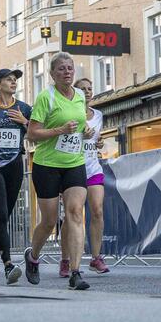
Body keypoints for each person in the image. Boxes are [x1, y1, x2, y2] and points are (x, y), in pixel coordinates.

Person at [24, 53, 91, 291]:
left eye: (70, 68)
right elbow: (32, 134)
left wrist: (86, 133)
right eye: (61, 69)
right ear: (52, 74)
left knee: (75, 213)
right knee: (50, 220)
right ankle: (33, 256)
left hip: (74, 162)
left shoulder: (81, 96)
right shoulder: (46, 97)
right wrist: (59, 130)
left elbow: (79, 127)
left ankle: (75, 271)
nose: (67, 72)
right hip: (47, 165)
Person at [0, 68, 31, 285]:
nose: (13, 83)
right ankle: (9, 263)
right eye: (8, 80)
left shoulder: (24, 108)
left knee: (6, 214)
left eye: (15, 80)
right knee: (0, 213)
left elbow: (39, 133)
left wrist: (25, 122)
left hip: (14, 164)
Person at [58, 78, 110, 277]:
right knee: (72, 215)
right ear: (75, 92)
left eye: (90, 88)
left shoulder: (98, 115)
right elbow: (63, 138)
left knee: (97, 210)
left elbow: (97, 138)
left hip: (92, 167)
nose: (87, 92)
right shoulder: (68, 113)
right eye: (82, 89)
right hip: (72, 167)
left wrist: (98, 142)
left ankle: (96, 257)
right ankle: (65, 259)